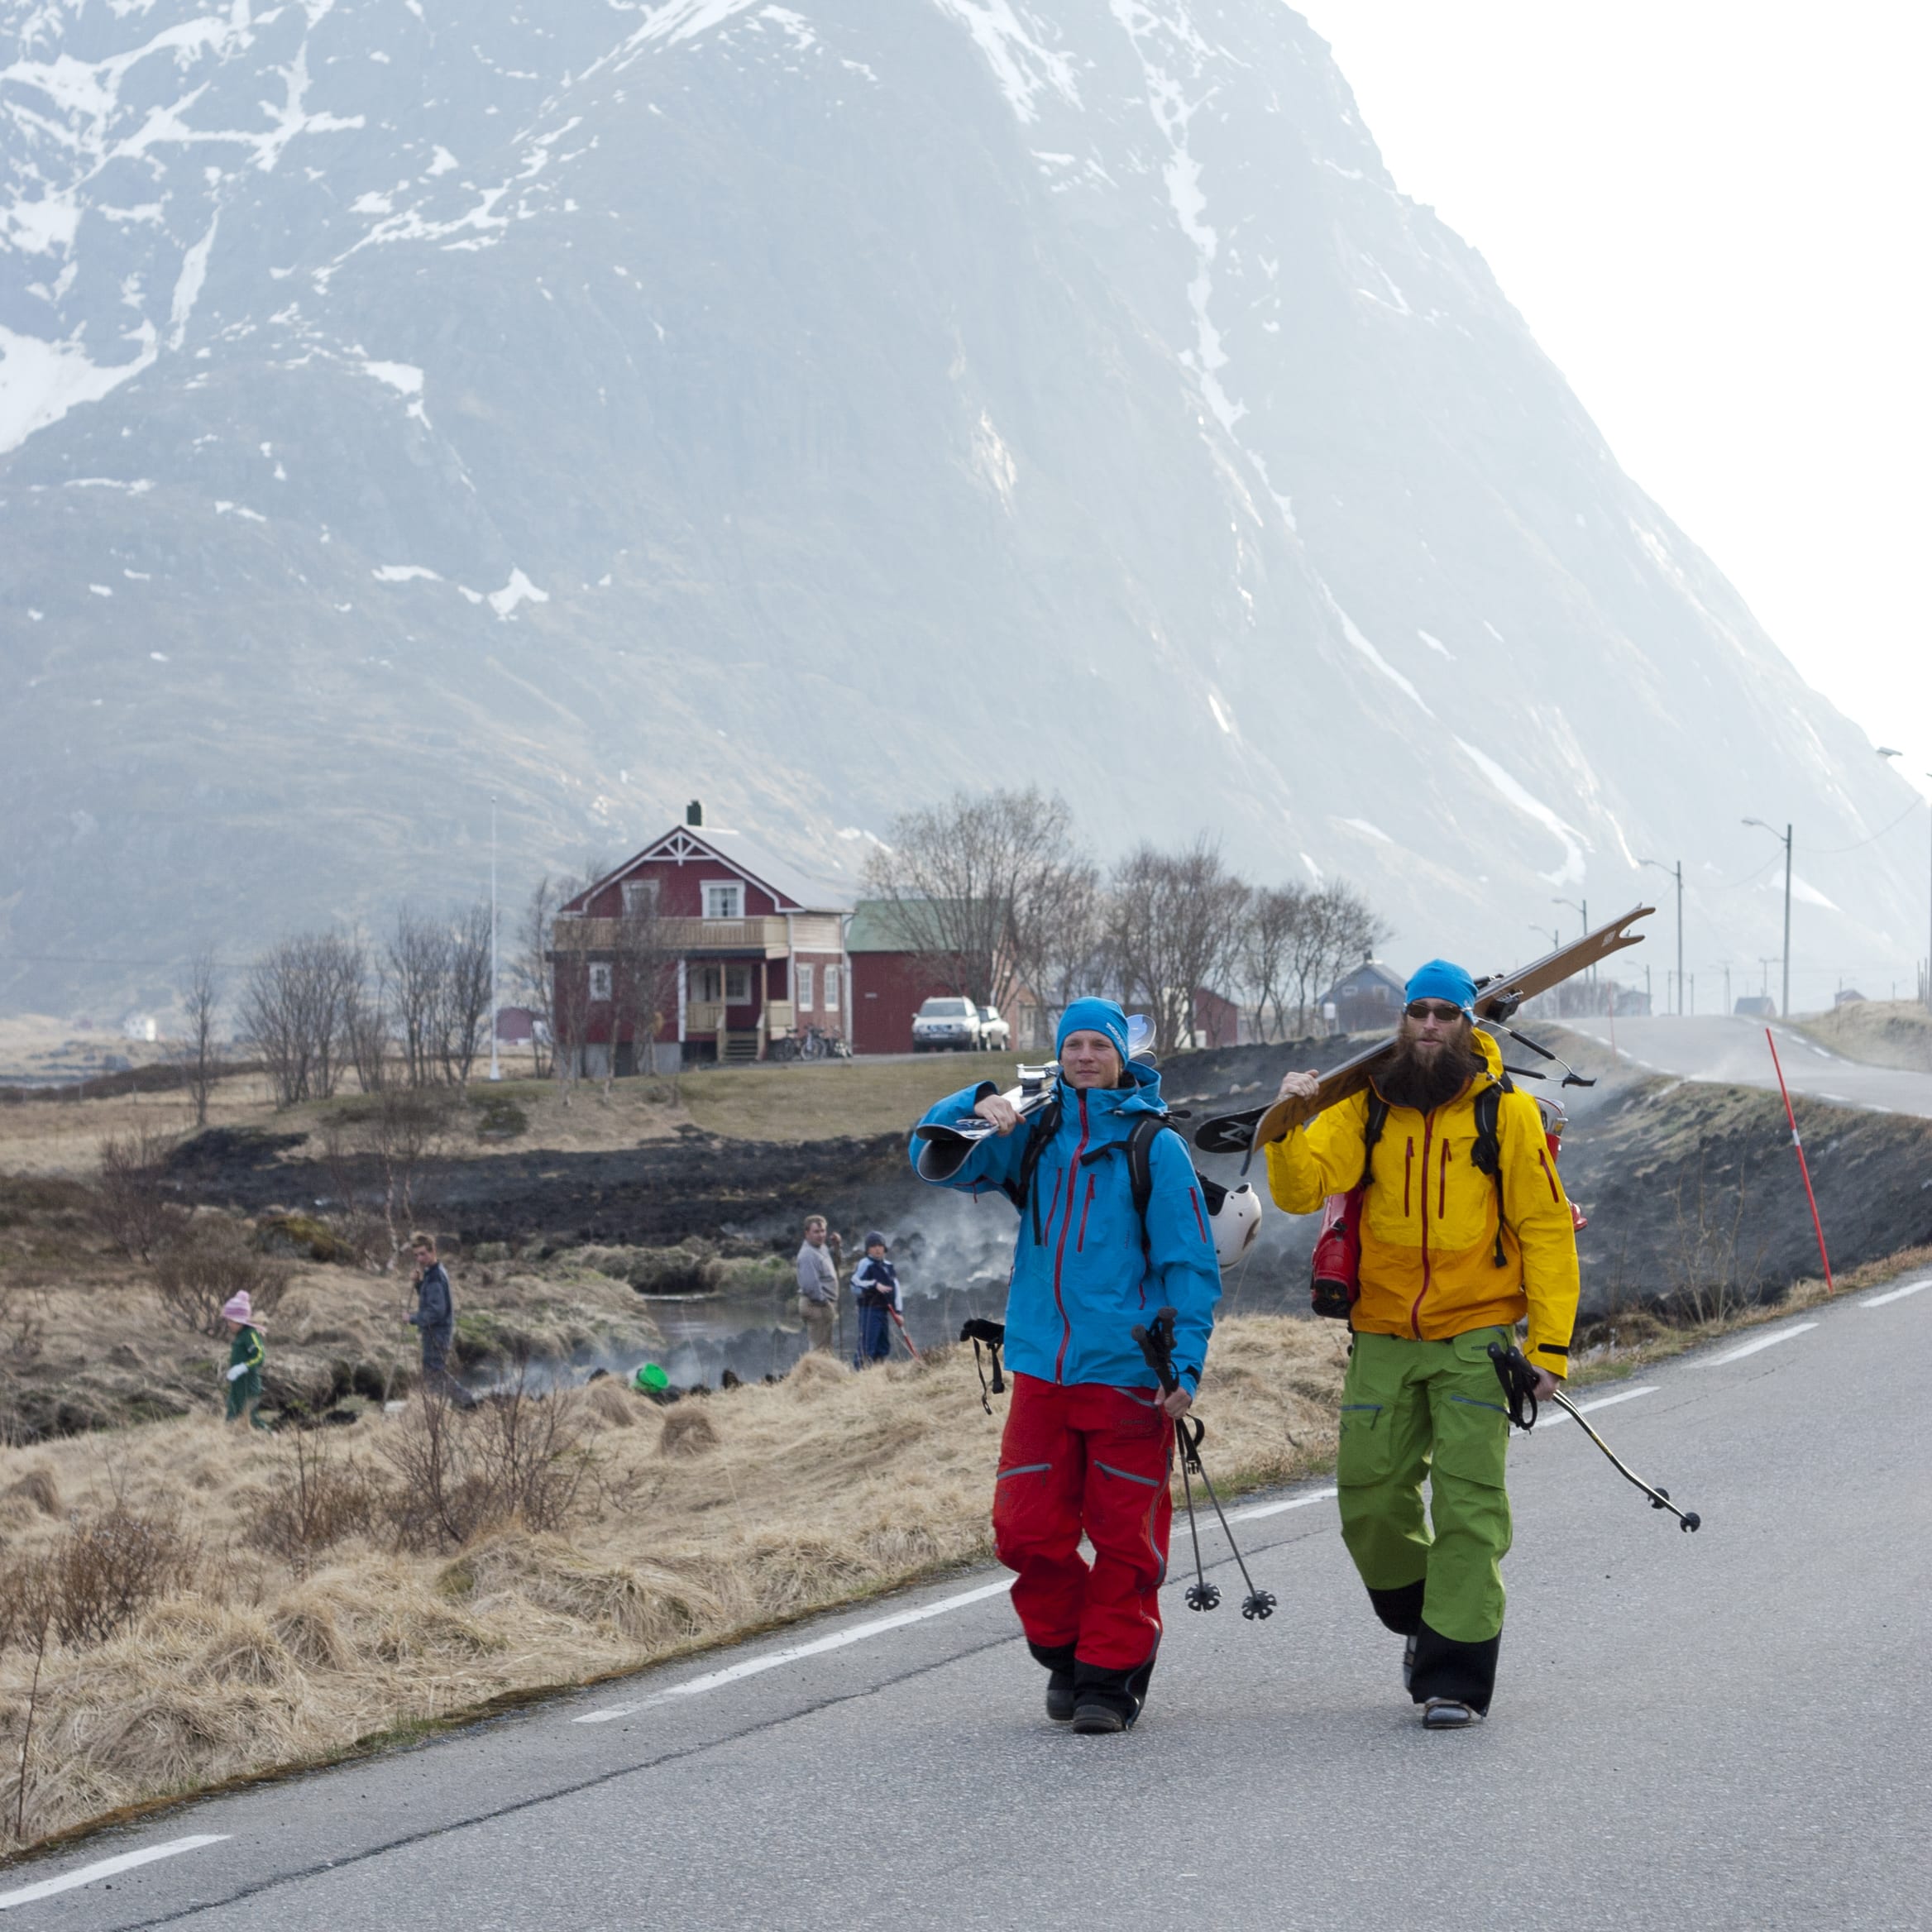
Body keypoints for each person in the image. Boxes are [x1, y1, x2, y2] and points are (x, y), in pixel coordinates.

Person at [1265, 959, 1580, 1728]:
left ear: (1469, 1023)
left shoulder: (1505, 1114)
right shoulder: (1367, 1104)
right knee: (1368, 1501)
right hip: (1380, 1333)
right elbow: (1302, 1191)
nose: (1431, 1024)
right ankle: (1421, 1616)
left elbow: (1544, 1227)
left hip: (1477, 1335)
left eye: (1446, 1012)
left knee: (1471, 1507)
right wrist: (1288, 1125)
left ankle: (1454, 1679)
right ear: (1402, 1022)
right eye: (1418, 1013)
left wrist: (1551, 1347)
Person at [910, 997, 1220, 1734]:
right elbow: (936, 1162)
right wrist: (978, 1101)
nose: (1085, 1056)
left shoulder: (1155, 1145)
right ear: (1059, 1055)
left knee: (1124, 1537)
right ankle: (1066, 1651)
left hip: (1127, 1376)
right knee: (1024, 1532)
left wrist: (1184, 1368)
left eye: (1098, 1046)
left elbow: (1190, 1266)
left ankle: (1111, 1677)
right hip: (1042, 1371)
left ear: (1120, 1057)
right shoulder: (1038, 1132)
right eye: (1073, 1045)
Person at [407, 1231, 459, 1400]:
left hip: (438, 1333)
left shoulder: (436, 1276)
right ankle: (439, 1407)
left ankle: (466, 1402)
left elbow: (436, 1312)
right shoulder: (432, 1271)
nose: (420, 1259)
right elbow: (429, 1297)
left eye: (423, 1253)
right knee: (433, 1371)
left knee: (435, 1373)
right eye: (416, 1255)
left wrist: (412, 1318)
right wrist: (419, 1284)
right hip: (434, 1332)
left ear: (433, 1251)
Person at [222, 1290, 270, 1429]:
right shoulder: (240, 1335)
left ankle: (270, 1438)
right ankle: (229, 1444)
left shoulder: (251, 1334)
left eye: (231, 1320)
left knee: (251, 1419)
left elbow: (260, 1356)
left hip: (249, 1385)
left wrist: (242, 1367)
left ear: (239, 1321)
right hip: (237, 1384)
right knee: (231, 1414)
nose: (228, 1324)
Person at [849, 1231, 900, 1367]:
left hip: (884, 1310)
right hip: (869, 1310)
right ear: (868, 1249)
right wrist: (873, 1285)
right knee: (868, 1344)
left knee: (883, 1344)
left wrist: (898, 1312)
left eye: (880, 1245)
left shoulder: (888, 1266)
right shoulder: (865, 1264)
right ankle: (861, 1373)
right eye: (873, 1246)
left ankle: (878, 1372)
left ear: (884, 1248)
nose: (877, 1249)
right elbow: (854, 1283)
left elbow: (895, 1287)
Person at [795, 1215, 839, 1355]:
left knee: (825, 1347)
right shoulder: (807, 1255)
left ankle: (823, 1376)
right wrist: (826, 1303)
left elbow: (835, 1264)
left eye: (823, 1231)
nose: (821, 1235)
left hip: (823, 1304)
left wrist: (837, 1247)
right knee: (819, 1349)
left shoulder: (822, 1248)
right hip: (815, 1305)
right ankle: (815, 1376)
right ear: (807, 1233)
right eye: (816, 1232)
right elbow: (810, 1286)